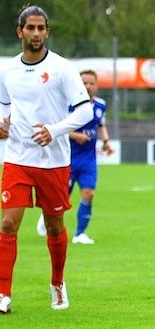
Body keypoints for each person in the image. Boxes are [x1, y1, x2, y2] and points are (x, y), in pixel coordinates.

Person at [0, 5, 94, 314]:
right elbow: (3, 105)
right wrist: (2, 124)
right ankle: (3, 294)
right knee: (8, 224)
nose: (36, 33)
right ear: (20, 32)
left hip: (53, 162)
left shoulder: (62, 68)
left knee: (54, 228)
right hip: (17, 158)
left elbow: (85, 110)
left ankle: (57, 282)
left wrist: (54, 131)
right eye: (31, 28)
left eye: (41, 28)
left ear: (47, 32)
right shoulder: (7, 70)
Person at [37, 70, 113, 244]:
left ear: (96, 85)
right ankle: (47, 217)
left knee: (88, 193)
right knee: (62, 198)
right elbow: (57, 128)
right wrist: (75, 135)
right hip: (67, 159)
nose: (87, 86)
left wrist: (106, 141)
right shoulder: (68, 105)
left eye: (91, 83)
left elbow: (101, 125)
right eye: (84, 83)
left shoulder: (101, 105)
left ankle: (79, 234)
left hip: (88, 160)